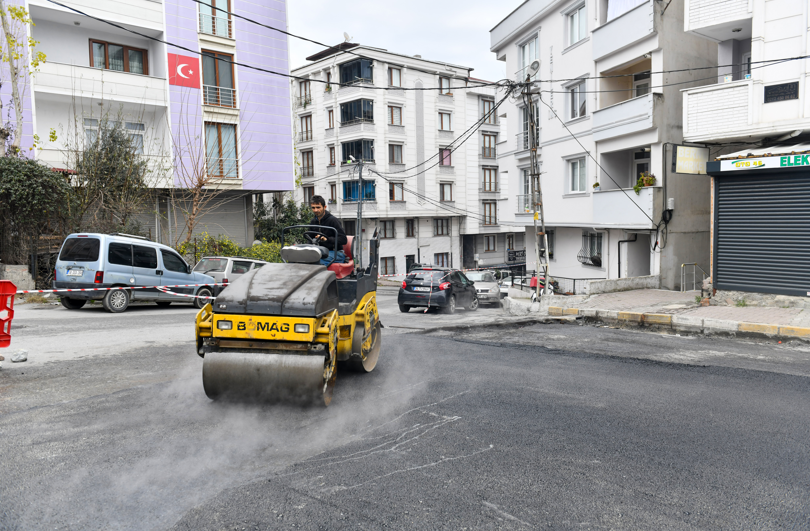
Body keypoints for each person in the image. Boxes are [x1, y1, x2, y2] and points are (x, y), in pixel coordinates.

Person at [309, 195, 348, 266]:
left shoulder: (333, 221)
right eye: (313, 208)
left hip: (335, 252)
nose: (315, 210)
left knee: (316, 261)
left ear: (325, 207)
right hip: (319, 251)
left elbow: (343, 240)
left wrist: (327, 239)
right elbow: (310, 238)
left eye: (318, 207)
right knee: (302, 259)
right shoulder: (313, 222)